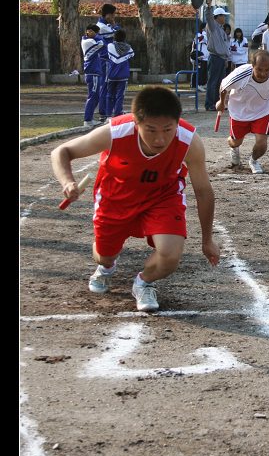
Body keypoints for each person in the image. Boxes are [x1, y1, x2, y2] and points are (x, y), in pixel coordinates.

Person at [50, 86, 220, 312]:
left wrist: (207, 239)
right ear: (136, 123)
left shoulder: (189, 141)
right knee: (104, 256)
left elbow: (203, 191)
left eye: (168, 129)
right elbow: (61, 152)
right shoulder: (116, 132)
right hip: (115, 198)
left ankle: (143, 283)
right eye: (150, 130)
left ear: (177, 123)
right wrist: (67, 182)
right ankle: (106, 268)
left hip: (163, 197)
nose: (160, 139)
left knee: (170, 256)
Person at [216, 49, 269, 175]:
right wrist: (222, 103)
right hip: (239, 111)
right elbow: (223, 87)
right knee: (236, 141)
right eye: (259, 69)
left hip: (262, 111)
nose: (263, 73)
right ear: (252, 66)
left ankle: (253, 161)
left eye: (267, 70)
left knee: (262, 143)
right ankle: (234, 147)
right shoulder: (241, 74)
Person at [205, 7, 230, 111]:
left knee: (220, 83)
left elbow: (224, 46)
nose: (224, 18)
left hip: (221, 58)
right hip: (215, 57)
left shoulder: (220, 29)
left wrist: (226, 59)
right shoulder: (213, 26)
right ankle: (210, 104)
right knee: (213, 82)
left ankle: (217, 103)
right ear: (218, 17)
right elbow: (209, 17)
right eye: (223, 15)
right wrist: (209, 7)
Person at [105, 30, 134, 117]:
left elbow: (110, 56)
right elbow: (132, 55)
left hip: (111, 74)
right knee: (120, 95)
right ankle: (118, 113)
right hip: (123, 75)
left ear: (114, 37)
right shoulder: (128, 48)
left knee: (110, 95)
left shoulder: (110, 46)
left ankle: (108, 115)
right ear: (124, 38)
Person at [81, 24, 104, 128]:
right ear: (89, 31)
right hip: (92, 73)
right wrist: (98, 36)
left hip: (94, 72)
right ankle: (87, 120)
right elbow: (101, 43)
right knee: (93, 96)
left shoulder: (90, 41)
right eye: (96, 32)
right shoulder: (88, 41)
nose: (97, 35)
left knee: (96, 96)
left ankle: (89, 118)